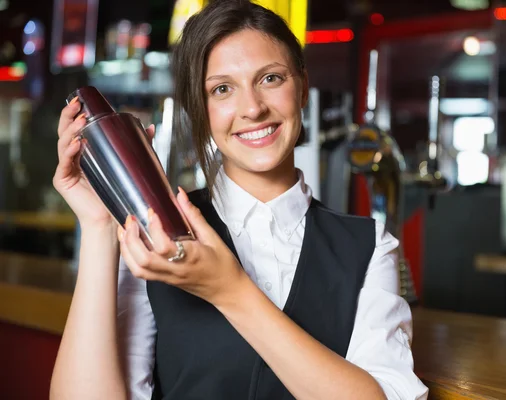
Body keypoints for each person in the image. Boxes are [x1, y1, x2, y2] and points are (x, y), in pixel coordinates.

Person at [50, 1, 429, 399]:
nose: (252, 108)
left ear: (302, 87)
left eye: (270, 78)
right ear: (203, 110)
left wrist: (230, 291)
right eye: (222, 89)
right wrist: (98, 226)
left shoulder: (369, 247)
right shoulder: (157, 235)